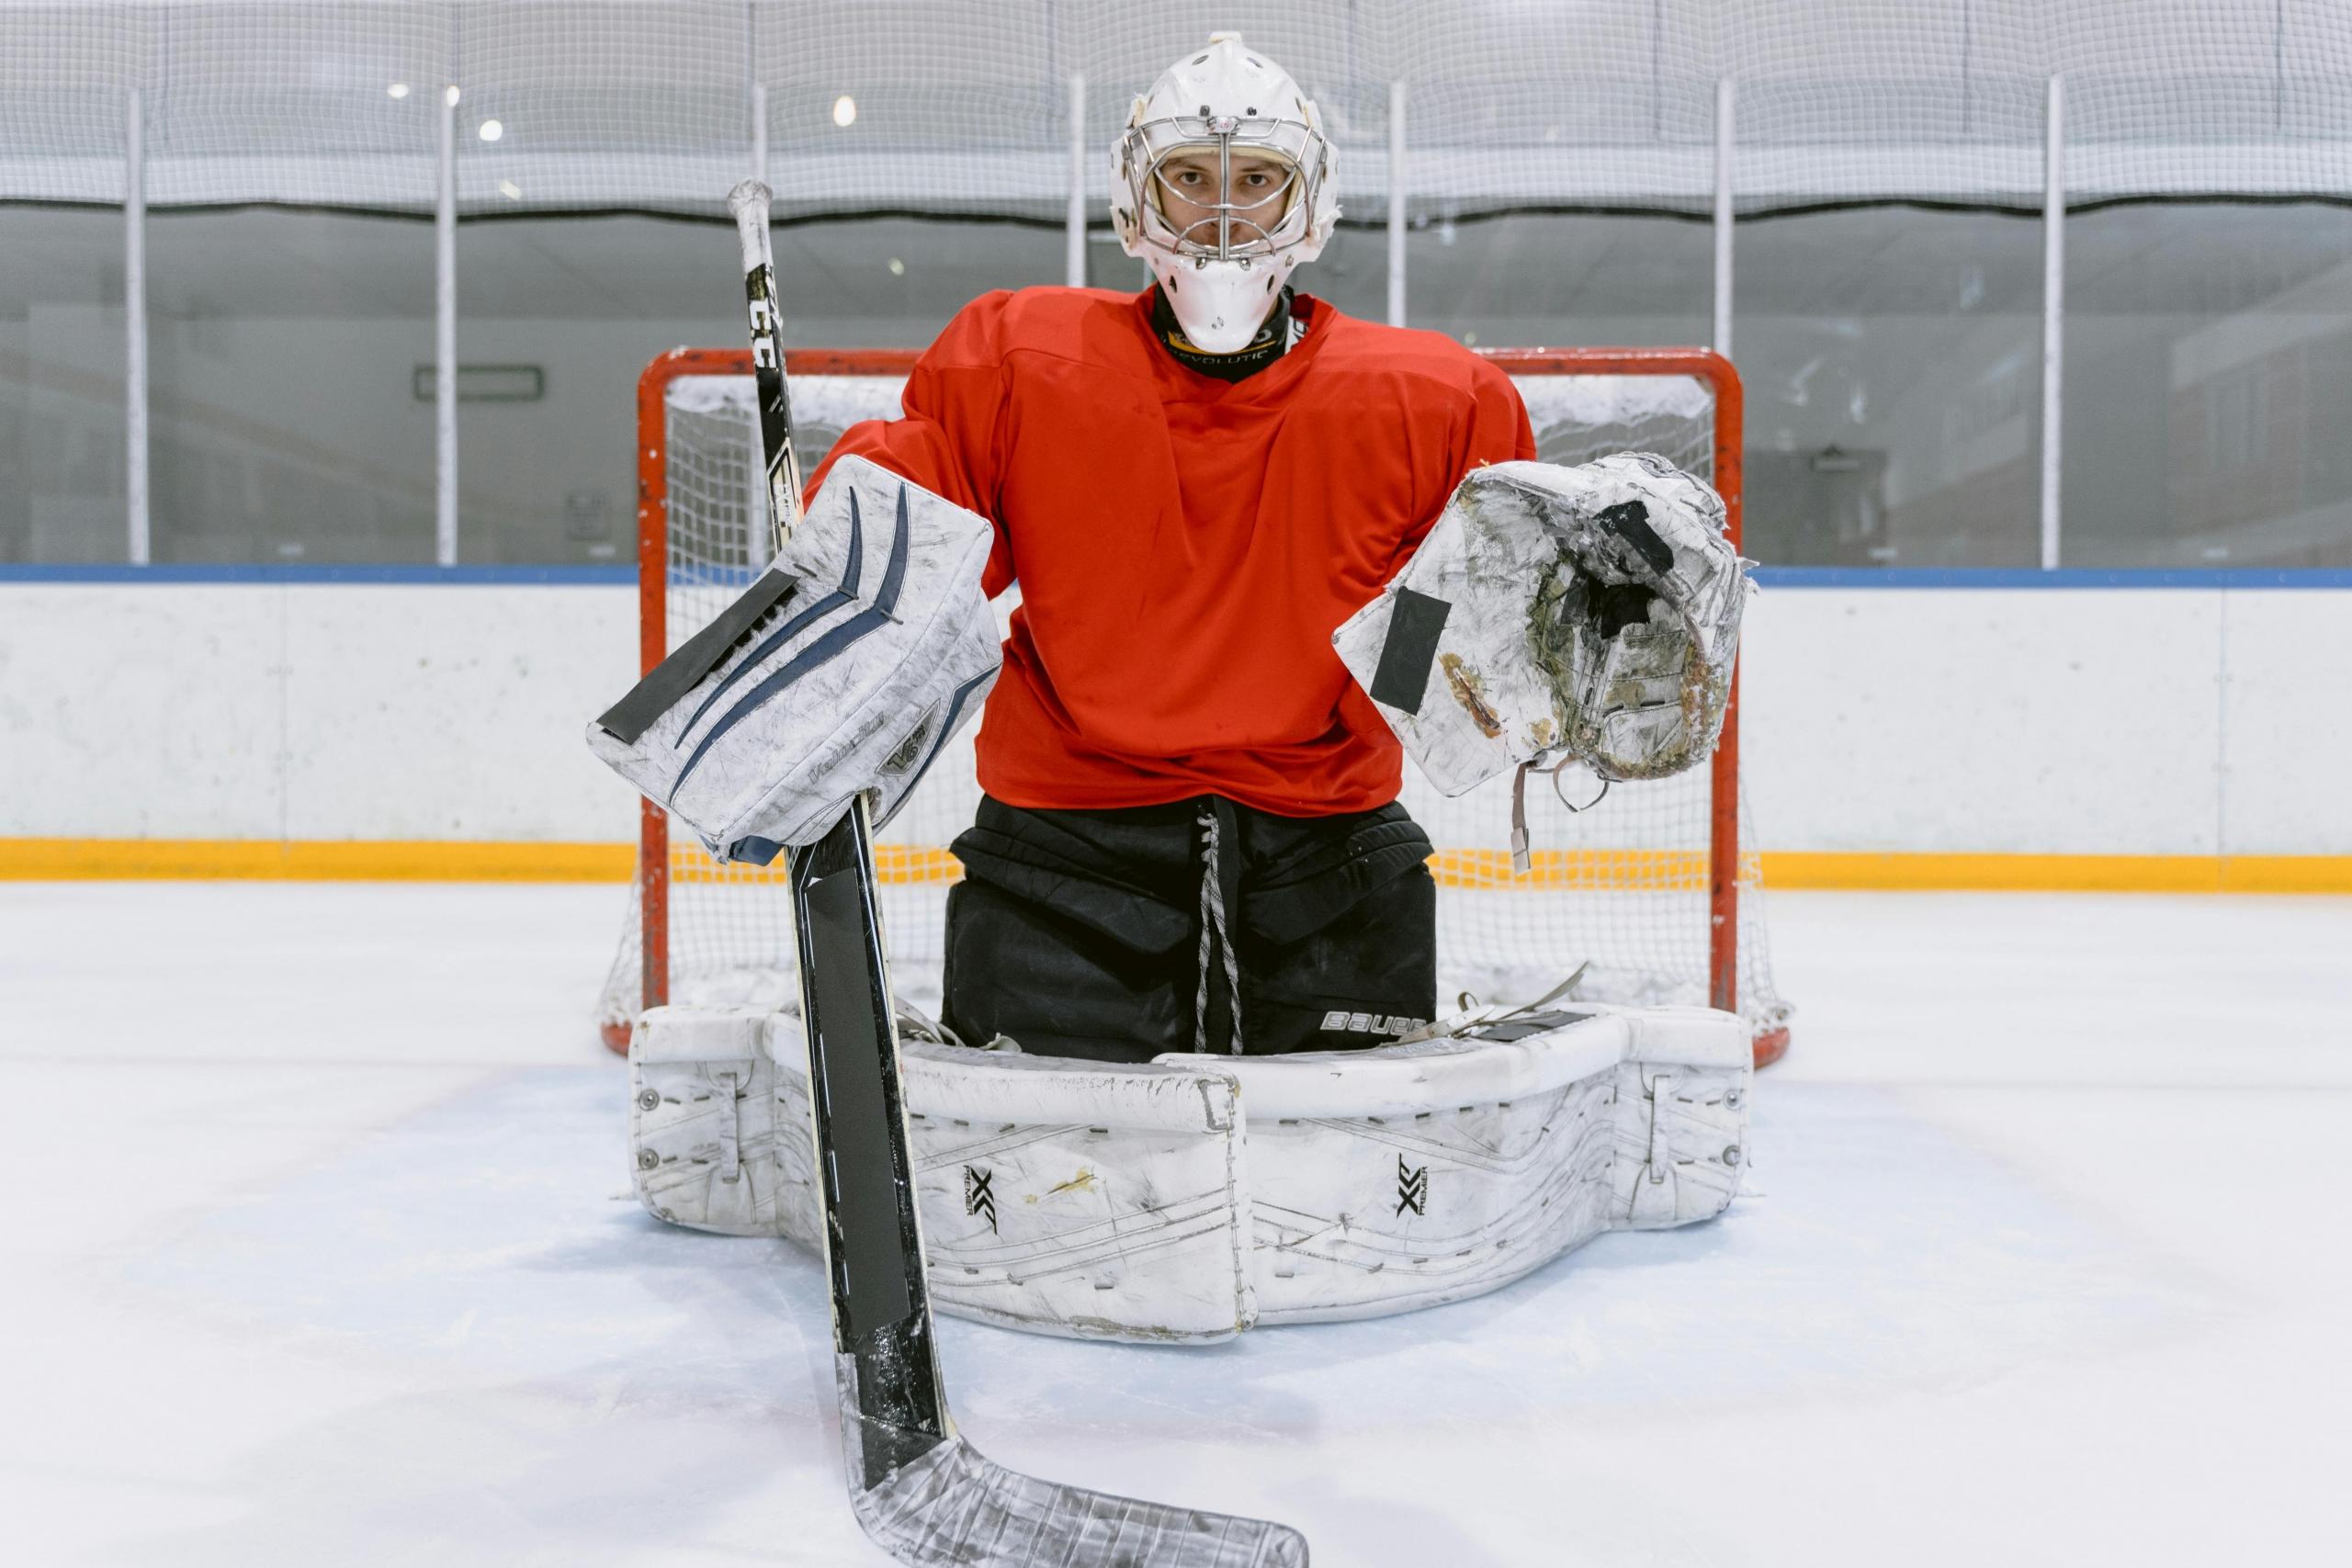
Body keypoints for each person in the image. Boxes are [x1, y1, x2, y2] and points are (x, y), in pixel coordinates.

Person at [807, 34, 1535, 1064]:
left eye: (1257, 179)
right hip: (1063, 845)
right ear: (1134, 200)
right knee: (1046, 1172)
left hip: (1327, 851)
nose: (1224, 211)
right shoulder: (1022, 361)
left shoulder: (1435, 400)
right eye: (1189, 177)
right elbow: (917, 532)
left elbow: (1460, 632)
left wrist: (1573, 622)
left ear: (1310, 203)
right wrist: (838, 526)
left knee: (1328, 1165)